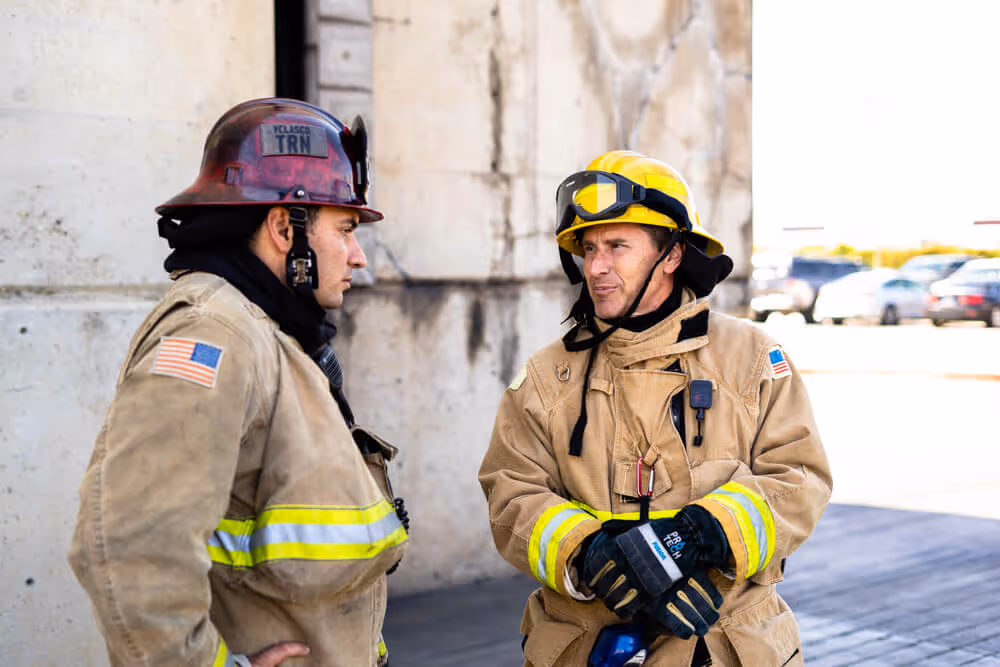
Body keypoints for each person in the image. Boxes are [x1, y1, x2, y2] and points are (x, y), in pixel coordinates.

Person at [68, 98, 409, 667]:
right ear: (284, 227)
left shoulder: (271, 332)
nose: (358, 258)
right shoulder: (214, 334)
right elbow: (129, 548)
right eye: (346, 230)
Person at [479, 150, 832, 666]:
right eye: (589, 248)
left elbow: (801, 478)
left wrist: (703, 534)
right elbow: (509, 493)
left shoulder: (753, 358)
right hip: (587, 647)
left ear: (670, 254)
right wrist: (589, 553)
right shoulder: (544, 378)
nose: (596, 267)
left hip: (724, 647)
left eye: (618, 246)